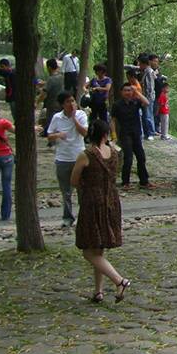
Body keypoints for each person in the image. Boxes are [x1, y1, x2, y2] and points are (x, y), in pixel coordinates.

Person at [71, 118, 129, 303]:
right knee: (98, 249)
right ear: (105, 134)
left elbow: (74, 180)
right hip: (111, 200)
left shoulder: (86, 154)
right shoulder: (113, 152)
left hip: (92, 202)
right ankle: (98, 291)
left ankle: (119, 280)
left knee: (88, 251)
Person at [46, 91, 89, 226]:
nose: (71, 104)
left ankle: (84, 217)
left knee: (83, 189)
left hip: (79, 157)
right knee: (66, 191)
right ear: (62, 105)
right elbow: (49, 135)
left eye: (72, 101)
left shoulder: (81, 115)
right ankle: (68, 218)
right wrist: (59, 135)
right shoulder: (57, 117)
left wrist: (74, 118)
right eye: (68, 102)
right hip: (63, 158)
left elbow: (84, 133)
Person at [109, 79, 151, 188]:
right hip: (125, 133)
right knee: (128, 158)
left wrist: (136, 92)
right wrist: (113, 136)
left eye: (129, 90)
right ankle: (125, 182)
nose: (128, 92)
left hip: (136, 132)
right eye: (125, 90)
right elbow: (112, 120)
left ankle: (144, 181)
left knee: (141, 157)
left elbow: (146, 103)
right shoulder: (117, 105)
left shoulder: (135, 102)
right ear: (121, 92)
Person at [140, 55, 160, 140]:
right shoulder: (147, 71)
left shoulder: (149, 71)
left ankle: (151, 132)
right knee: (146, 114)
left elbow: (149, 86)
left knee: (148, 115)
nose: (139, 65)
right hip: (147, 96)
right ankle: (147, 132)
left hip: (148, 96)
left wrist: (147, 98)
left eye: (140, 64)